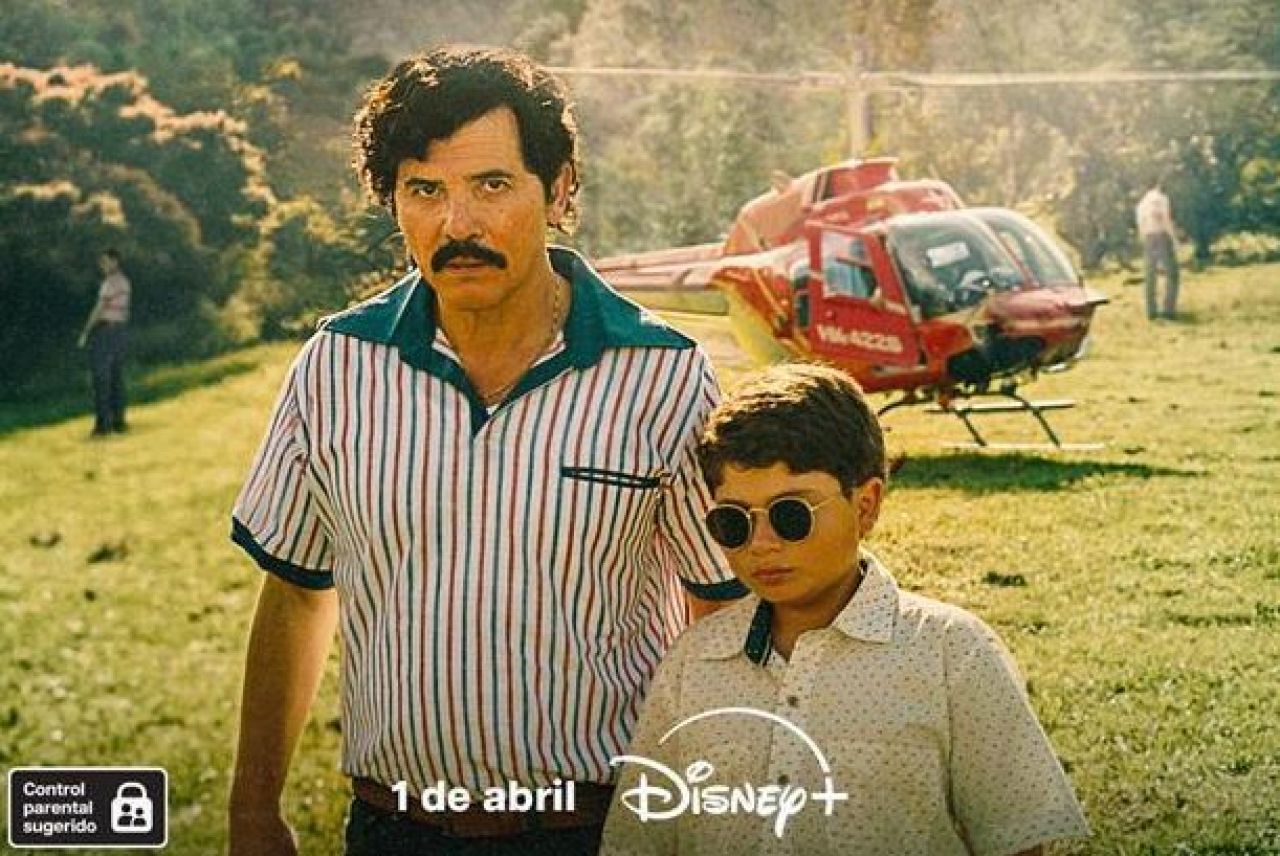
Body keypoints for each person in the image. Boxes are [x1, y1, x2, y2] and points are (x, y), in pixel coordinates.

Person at [227, 45, 745, 856]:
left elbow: (722, 610)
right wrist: (253, 810)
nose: (457, 225)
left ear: (560, 187)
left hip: (599, 828)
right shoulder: (337, 366)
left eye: (492, 185)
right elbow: (295, 592)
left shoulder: (663, 376)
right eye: (424, 191)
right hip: (392, 830)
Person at [601, 363, 1090, 855]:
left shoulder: (953, 654)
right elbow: (638, 840)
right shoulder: (694, 661)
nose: (762, 543)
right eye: (734, 521)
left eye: (790, 514)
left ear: (865, 505)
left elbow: (1016, 838)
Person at [78, 248, 131, 437]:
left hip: (105, 330)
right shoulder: (125, 282)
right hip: (119, 331)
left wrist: (86, 331)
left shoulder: (109, 283)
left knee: (101, 378)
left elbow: (99, 308)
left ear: (115, 261)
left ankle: (102, 425)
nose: (102, 265)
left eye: (105, 261)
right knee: (116, 377)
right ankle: (119, 422)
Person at [1135, 177, 1180, 320]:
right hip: (1161, 235)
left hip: (1148, 237)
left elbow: (1140, 225)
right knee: (1172, 273)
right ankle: (1169, 309)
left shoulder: (1141, 204)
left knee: (1150, 275)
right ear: (1158, 185)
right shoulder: (1161, 199)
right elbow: (1165, 219)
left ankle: (1151, 311)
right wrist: (1174, 238)